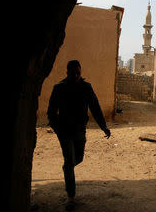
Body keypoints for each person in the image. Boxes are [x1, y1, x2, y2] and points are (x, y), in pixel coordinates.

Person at [47, 60, 111, 210]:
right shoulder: (59, 88)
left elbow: (95, 108)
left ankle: (67, 169)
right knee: (69, 161)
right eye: (73, 73)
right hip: (65, 131)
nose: (76, 75)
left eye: (78, 73)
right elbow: (51, 112)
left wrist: (104, 127)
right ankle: (71, 196)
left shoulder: (85, 88)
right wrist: (57, 129)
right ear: (67, 72)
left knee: (79, 158)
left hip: (80, 130)